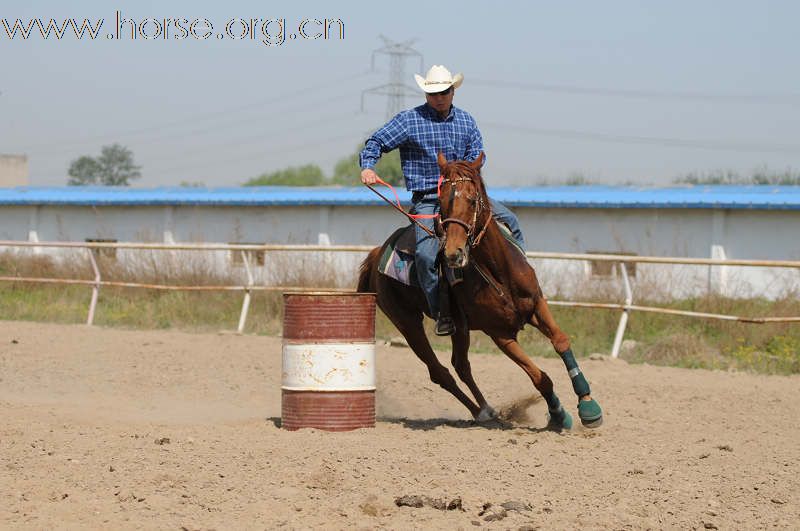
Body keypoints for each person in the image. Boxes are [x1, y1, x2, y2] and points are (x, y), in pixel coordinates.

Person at [360, 65, 524, 336]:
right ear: (426, 93)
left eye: (444, 92)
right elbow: (376, 141)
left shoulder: (466, 121)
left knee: (512, 222)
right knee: (425, 255)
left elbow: (477, 154)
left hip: (463, 197)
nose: (439, 97)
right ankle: (441, 313)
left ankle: (518, 289)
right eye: (433, 92)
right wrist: (368, 166)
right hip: (428, 199)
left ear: (452, 91)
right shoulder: (408, 120)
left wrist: (466, 181)